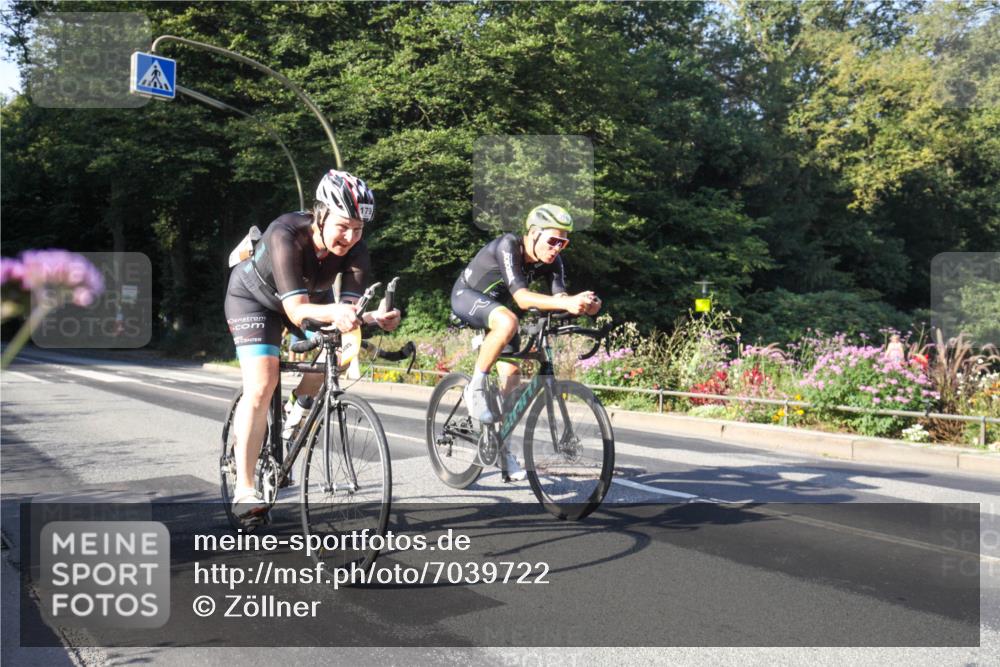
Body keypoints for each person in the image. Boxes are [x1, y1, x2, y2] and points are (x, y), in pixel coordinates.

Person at [224, 169, 401, 518]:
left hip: (307, 300)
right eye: (342, 225)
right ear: (320, 215)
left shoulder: (356, 250)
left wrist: (371, 318)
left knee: (340, 350)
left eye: (358, 229)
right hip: (253, 298)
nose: (350, 237)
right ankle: (244, 489)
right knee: (262, 383)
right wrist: (336, 310)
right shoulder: (285, 232)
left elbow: (347, 313)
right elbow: (295, 308)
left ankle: (294, 417)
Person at [450, 204, 601, 481]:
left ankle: (502, 444)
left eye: (563, 242)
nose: (557, 248)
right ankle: (476, 385)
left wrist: (588, 307)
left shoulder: (553, 261)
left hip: (500, 311)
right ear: (533, 234)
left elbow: (559, 300)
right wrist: (567, 301)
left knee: (512, 377)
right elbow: (521, 298)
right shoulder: (509, 245)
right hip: (467, 297)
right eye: (552, 240)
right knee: (509, 321)